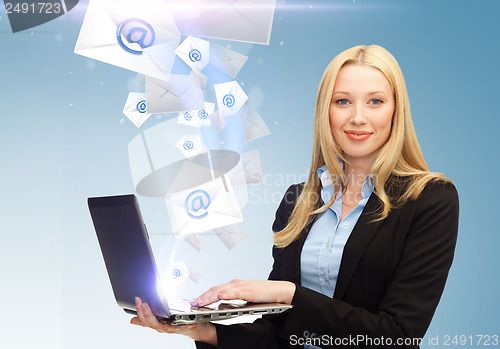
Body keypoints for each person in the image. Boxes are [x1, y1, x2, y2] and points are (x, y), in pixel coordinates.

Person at [130, 44, 459, 349]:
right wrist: (199, 330)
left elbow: (396, 336)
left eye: (375, 101)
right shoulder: (298, 201)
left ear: (395, 111)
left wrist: (287, 293)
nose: (358, 117)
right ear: (325, 111)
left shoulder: (430, 200)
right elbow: (277, 332)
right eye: (342, 101)